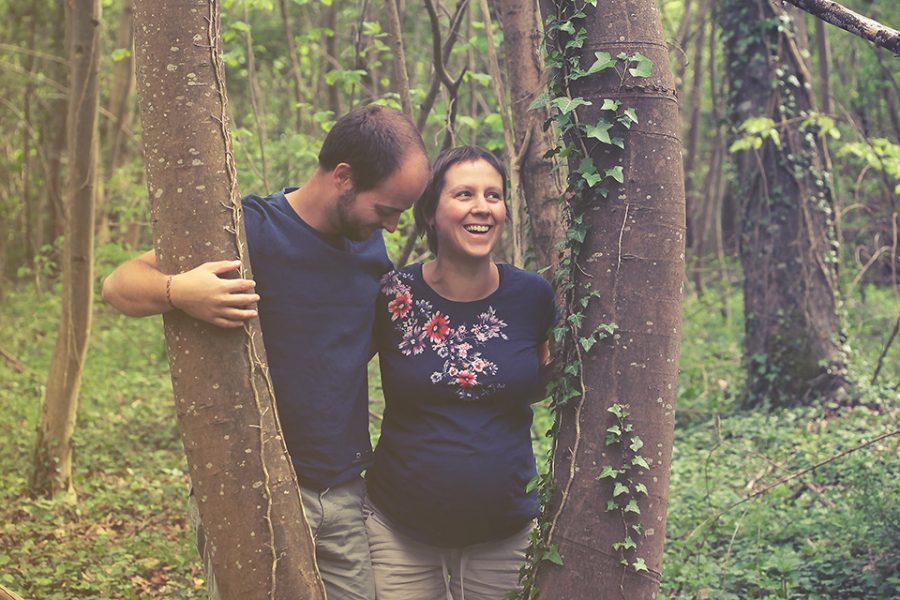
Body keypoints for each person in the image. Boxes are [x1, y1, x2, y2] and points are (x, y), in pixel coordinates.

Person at [101, 105, 430, 600]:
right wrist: (178, 291)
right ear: (343, 177)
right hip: (255, 485)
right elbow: (117, 285)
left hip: (343, 489)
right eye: (386, 210)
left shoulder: (369, 250)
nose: (392, 226)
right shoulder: (250, 229)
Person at [364, 146, 558, 600]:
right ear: (430, 211)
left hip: (506, 535)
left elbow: (548, 381)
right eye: (464, 194)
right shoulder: (394, 295)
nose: (482, 208)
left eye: (493, 195)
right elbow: (337, 373)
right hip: (399, 532)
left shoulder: (532, 297)